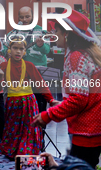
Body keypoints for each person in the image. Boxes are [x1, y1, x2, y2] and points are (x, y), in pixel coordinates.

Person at [32, 10, 101, 169]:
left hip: (85, 132)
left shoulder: (76, 56)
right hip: (95, 130)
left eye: (56, 31)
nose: (53, 33)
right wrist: (62, 104)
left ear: (67, 35)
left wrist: (48, 115)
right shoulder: (89, 53)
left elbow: (79, 99)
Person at [0, 35, 58, 159]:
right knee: (13, 128)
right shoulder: (3, 66)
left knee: (29, 128)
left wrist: (51, 99)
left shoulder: (29, 65)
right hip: (12, 102)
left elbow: (40, 84)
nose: (18, 51)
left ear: (25, 51)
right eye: (15, 48)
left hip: (28, 102)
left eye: (21, 49)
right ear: (9, 49)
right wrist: (0, 77)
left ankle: (26, 151)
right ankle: (13, 151)